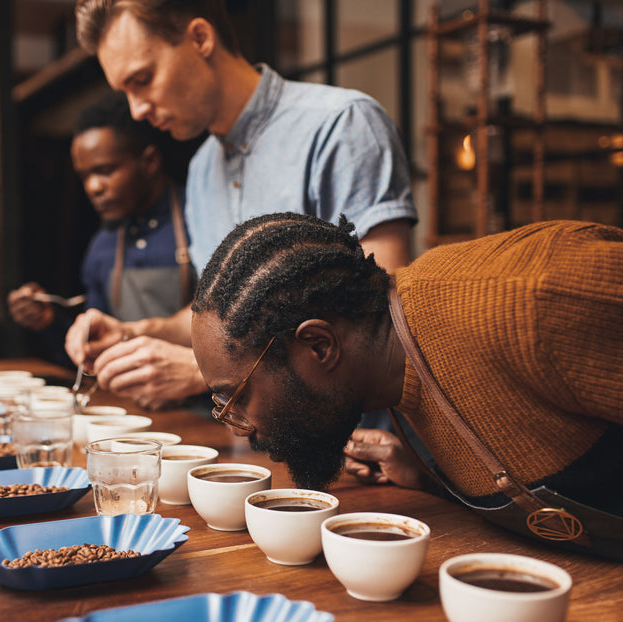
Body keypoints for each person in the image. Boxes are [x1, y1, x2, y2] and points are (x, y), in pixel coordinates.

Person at [188, 212, 623, 584]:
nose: (242, 426)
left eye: (236, 399)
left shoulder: (534, 298)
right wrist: (431, 478)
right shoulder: (388, 373)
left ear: (318, 345)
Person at [65, 0, 418, 409]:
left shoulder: (341, 124)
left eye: (142, 79)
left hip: (351, 448)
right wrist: (137, 332)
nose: (137, 109)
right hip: (246, 441)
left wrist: (203, 372)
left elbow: (381, 321)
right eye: (125, 91)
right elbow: (217, 315)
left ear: (200, 38)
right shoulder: (200, 169)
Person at [7, 91, 195, 364]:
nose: (93, 187)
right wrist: (49, 321)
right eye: (85, 176)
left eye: (105, 170)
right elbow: (94, 352)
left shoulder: (200, 216)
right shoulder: (103, 244)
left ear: (150, 161)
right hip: (128, 397)